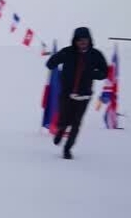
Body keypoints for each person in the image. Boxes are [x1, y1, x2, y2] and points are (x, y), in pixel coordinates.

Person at [45, 27, 108, 159]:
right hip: (67, 93)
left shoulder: (95, 54)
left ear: (89, 40)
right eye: (80, 40)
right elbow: (50, 63)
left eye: (85, 40)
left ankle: (67, 149)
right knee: (64, 119)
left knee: (76, 123)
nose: (82, 42)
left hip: (84, 95)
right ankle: (60, 130)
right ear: (75, 41)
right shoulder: (67, 52)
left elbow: (104, 72)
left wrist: (93, 74)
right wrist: (53, 62)